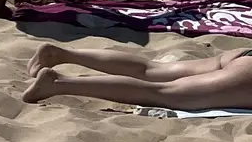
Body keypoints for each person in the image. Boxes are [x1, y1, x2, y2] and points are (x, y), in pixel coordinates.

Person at [21, 43, 252, 110]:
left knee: (150, 70)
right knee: (168, 94)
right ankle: (58, 83)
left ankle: (63, 54)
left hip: (243, 55)